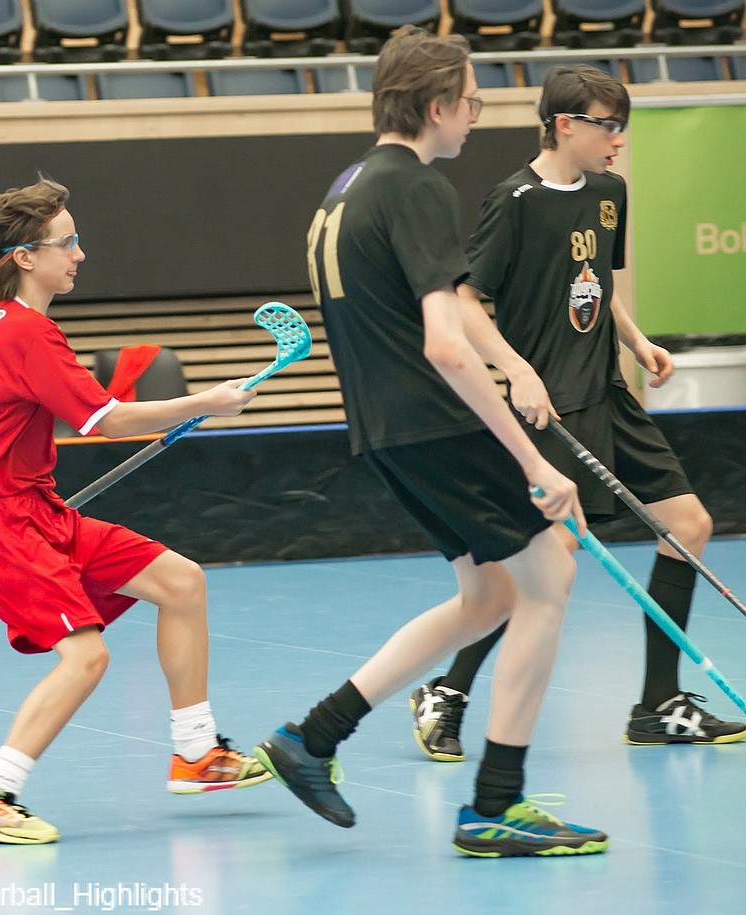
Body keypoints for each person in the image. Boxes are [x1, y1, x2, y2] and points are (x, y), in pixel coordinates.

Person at [253, 26, 609, 858]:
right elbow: (445, 344)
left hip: (385, 431)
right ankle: (496, 803)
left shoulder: (345, 189)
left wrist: (513, 366)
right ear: (438, 104)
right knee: (550, 576)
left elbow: (423, 315)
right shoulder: (417, 187)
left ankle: (313, 736)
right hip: (436, 421)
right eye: (473, 103)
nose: (476, 118)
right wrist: (533, 461)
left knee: (489, 596)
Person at [409, 65, 746, 764]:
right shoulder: (516, 201)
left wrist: (636, 339)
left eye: (623, 126)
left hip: (609, 393)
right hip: (551, 410)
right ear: (565, 124)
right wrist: (517, 369)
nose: (619, 140)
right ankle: (447, 689)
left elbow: (593, 279)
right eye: (608, 125)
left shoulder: (608, 191)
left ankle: (658, 704)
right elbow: (465, 298)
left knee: (688, 525)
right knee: (550, 560)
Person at [0, 177, 271, 845]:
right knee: (85, 658)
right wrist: (206, 402)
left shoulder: (13, 327)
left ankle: (197, 751)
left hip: (35, 510)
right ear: (25, 257)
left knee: (181, 581)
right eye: (67, 243)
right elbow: (109, 421)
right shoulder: (26, 333)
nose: (80, 254)